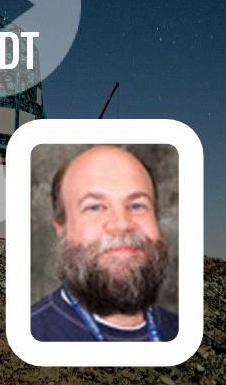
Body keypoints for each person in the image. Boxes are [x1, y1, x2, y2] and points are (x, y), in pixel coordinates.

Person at [31, 145, 178, 341]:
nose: (122, 224)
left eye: (137, 205)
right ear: (61, 227)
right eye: (95, 207)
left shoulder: (181, 331)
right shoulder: (33, 334)